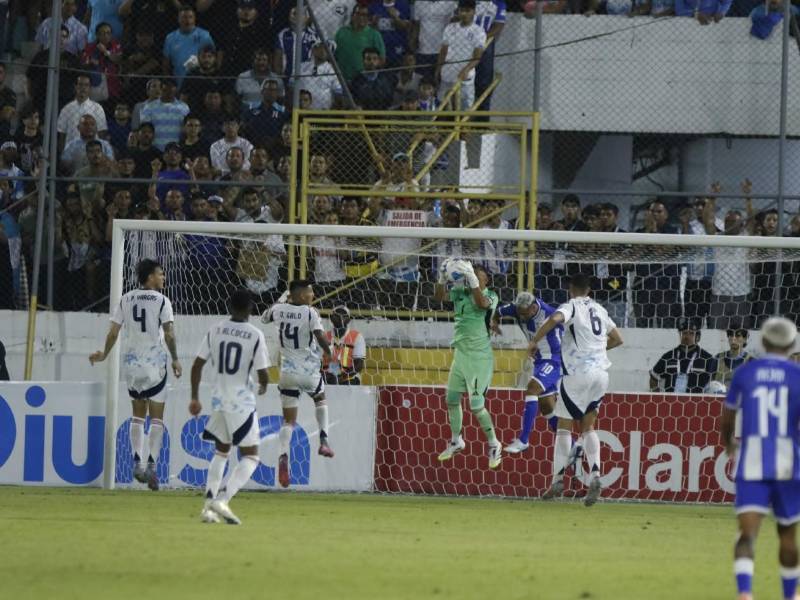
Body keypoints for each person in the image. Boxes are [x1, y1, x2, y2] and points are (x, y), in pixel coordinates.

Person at [720, 317, 800, 600]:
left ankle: (745, 593)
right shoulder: (797, 375)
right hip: (787, 462)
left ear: (763, 342)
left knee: (747, 533)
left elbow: (728, 416)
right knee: (788, 534)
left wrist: (728, 442)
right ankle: (790, 596)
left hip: (753, 459)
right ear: (792, 345)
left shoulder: (746, 372)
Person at [88, 259, 182, 491]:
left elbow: (112, 333)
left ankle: (136, 461)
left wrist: (104, 355)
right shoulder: (162, 301)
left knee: (137, 415)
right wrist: (176, 358)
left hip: (131, 364)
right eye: (160, 274)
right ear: (150, 276)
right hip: (154, 365)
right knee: (157, 416)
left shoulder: (126, 298)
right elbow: (169, 334)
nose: (163, 278)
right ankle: (151, 465)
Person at [532, 273, 624, 507]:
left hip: (576, 375)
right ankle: (594, 475)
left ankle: (558, 480)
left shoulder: (571, 305)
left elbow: (554, 319)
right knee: (588, 426)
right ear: (589, 289)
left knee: (564, 426)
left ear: (571, 289)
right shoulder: (600, 309)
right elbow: (617, 338)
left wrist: (535, 340)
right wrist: (597, 352)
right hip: (601, 375)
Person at [190, 289, 269, 525]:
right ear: (250, 309)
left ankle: (207, 509)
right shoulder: (255, 334)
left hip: (218, 399)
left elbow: (196, 365)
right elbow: (263, 372)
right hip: (241, 401)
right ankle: (222, 499)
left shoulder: (215, 330)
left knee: (221, 452)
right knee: (252, 456)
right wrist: (264, 385)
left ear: (229, 306)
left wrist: (194, 397)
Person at [262, 280, 333, 488]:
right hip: (309, 371)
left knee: (289, 421)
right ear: (301, 295)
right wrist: (328, 352)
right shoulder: (311, 312)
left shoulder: (278, 310)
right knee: (320, 399)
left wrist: (283, 298)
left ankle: (283, 455)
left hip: (287, 373)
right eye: (310, 292)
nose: (313, 294)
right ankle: (324, 440)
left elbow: (264, 317)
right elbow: (320, 335)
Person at [433, 258, 502, 469]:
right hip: (461, 355)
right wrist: (441, 278)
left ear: (486, 279)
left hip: (479, 358)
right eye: (472, 274)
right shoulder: (460, 293)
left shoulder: (491, 296)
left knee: (476, 406)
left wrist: (471, 277)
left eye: (478, 275)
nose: (473, 277)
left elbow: (481, 304)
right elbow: (438, 297)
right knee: (451, 399)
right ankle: (456, 440)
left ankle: (494, 444)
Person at [492, 291, 561, 454]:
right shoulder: (516, 309)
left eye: (524, 313)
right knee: (547, 408)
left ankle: (523, 440)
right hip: (539, 362)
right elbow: (497, 311)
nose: (521, 316)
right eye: (519, 313)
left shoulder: (549, 314)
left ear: (533, 307)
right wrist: (494, 321)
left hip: (554, 359)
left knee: (531, 389)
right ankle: (574, 446)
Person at [436, 0, 485, 111]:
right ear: (458, 11)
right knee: (443, 106)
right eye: (462, 10)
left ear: (473, 12)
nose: (464, 14)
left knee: (465, 109)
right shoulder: (450, 28)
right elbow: (443, 51)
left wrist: (466, 69)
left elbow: (477, 57)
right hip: (447, 73)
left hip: (464, 75)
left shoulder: (479, 32)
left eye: (467, 11)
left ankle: (463, 128)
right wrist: (438, 69)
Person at [649, 317, 716, 393]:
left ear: (698, 337)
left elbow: (714, 382)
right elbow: (654, 377)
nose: (687, 337)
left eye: (691, 333)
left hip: (696, 403)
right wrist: (658, 397)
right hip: (671, 402)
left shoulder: (707, 358)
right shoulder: (669, 356)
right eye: (684, 333)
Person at [322, 305, 366, 385]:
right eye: (337, 315)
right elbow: (317, 362)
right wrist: (326, 375)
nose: (340, 318)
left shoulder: (357, 337)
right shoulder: (324, 337)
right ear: (331, 318)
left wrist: (342, 377)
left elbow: (359, 365)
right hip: (326, 377)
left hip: (349, 378)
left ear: (349, 320)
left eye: (344, 316)